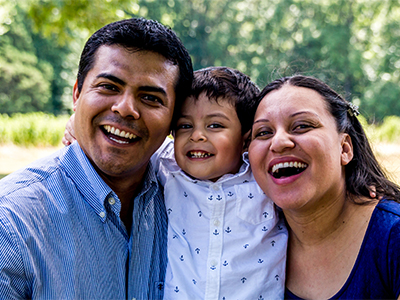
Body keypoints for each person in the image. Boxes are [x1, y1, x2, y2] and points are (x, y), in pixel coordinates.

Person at [0, 17, 193, 299]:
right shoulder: (12, 222)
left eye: (150, 98)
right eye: (109, 86)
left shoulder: (193, 200)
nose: (126, 108)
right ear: (77, 94)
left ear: (174, 121)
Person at [64, 66, 288, 299]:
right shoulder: (167, 166)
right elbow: (131, 139)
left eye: (215, 125)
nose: (197, 136)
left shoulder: (263, 178)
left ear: (246, 139)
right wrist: (75, 123)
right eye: (185, 126)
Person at [248, 75, 400, 299]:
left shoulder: (392, 237)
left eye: (301, 126)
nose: (279, 142)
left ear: (345, 148)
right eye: (263, 132)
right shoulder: (249, 238)